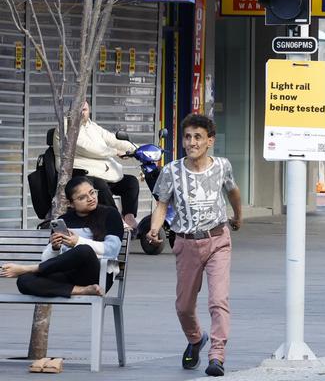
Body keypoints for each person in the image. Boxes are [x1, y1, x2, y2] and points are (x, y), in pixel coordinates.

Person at [148, 114, 242, 378]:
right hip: (186, 243)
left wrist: (238, 216)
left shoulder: (222, 166)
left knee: (218, 300)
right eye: (188, 137)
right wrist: (154, 229)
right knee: (184, 306)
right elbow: (162, 204)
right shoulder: (171, 171)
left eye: (198, 137)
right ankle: (195, 338)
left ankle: (217, 355)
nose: (192, 142)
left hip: (218, 240)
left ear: (209, 141)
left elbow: (233, 191)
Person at [1, 175, 123, 298]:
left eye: (92, 193)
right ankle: (81, 290)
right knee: (24, 281)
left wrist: (77, 241)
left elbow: (112, 250)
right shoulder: (63, 220)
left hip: (98, 274)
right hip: (68, 274)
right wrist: (55, 248)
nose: (91, 198)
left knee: (84, 250)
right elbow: (47, 260)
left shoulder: (110, 214)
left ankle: (30, 268)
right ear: (71, 203)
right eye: (82, 198)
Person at [57, 102, 141, 231]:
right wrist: (114, 152)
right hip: (80, 174)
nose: (82, 113)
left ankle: (128, 217)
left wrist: (137, 149)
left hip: (101, 172)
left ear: (89, 109)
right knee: (100, 186)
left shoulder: (91, 126)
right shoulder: (67, 127)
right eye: (79, 110)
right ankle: (116, 220)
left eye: (84, 109)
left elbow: (113, 140)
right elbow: (86, 147)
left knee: (131, 182)